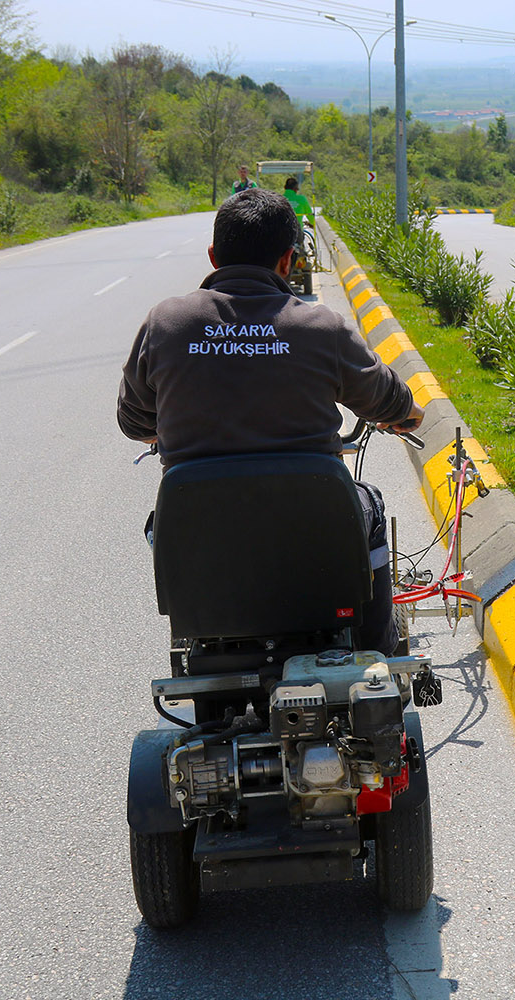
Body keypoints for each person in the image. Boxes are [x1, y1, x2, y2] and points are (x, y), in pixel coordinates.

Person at [117, 188, 423, 655]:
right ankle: (377, 652)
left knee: (163, 526)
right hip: (314, 521)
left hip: (201, 527)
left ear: (214, 257)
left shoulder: (165, 323)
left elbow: (133, 420)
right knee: (370, 505)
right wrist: (408, 414)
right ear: (287, 261)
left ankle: (202, 633)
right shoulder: (321, 326)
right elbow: (385, 397)